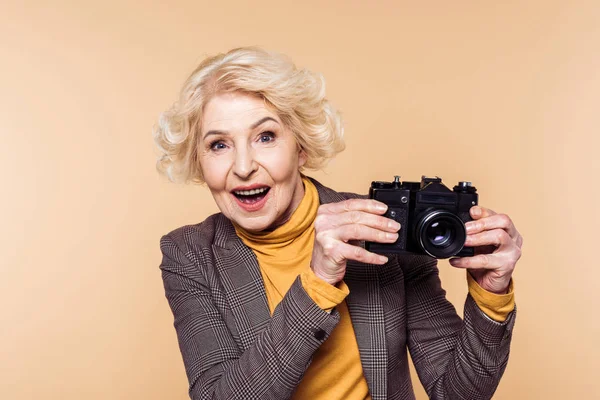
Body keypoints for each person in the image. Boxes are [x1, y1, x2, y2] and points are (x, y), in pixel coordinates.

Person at [153, 47, 523, 400]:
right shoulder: (190, 255)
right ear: (198, 160)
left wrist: (491, 294)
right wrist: (316, 285)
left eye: (265, 137)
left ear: (301, 148)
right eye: (219, 145)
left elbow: (458, 394)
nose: (244, 166)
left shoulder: (383, 231)